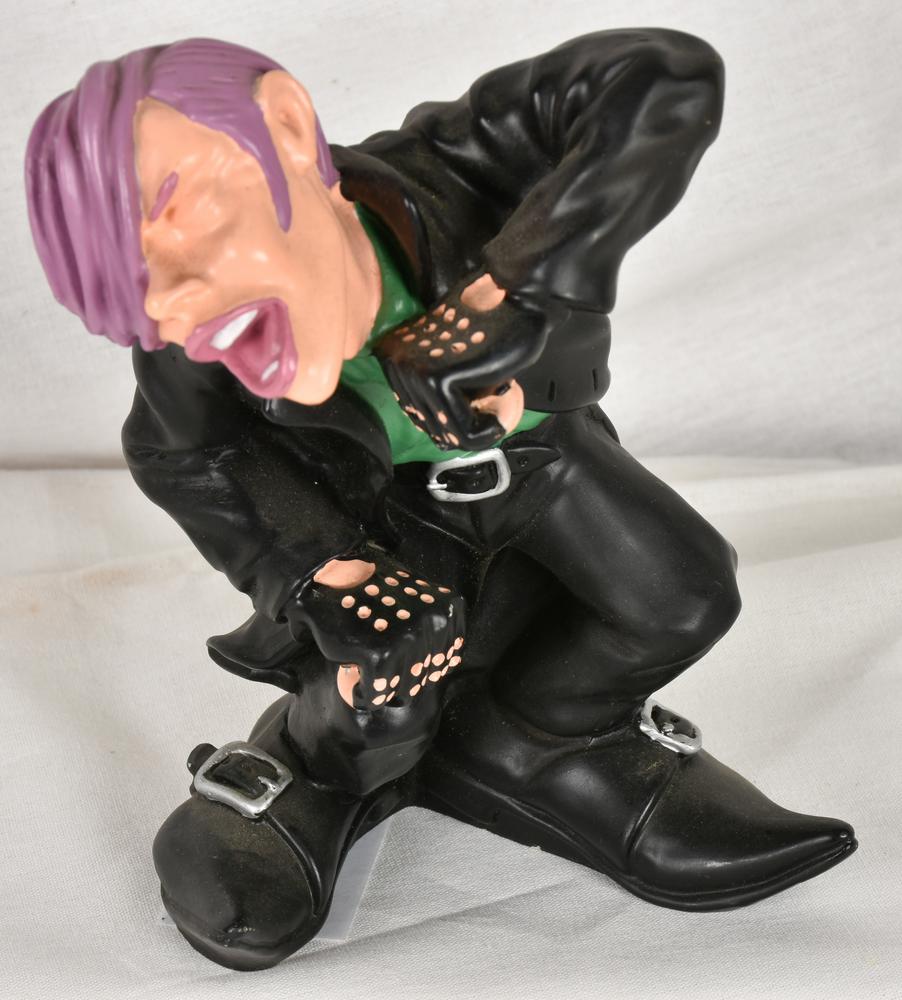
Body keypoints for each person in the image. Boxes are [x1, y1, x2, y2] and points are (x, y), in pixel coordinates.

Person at [25, 33, 855, 971]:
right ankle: (321, 771)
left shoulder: (453, 171)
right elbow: (182, 452)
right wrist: (326, 572)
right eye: (141, 288)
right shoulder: (191, 348)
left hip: (539, 464)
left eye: (192, 224)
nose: (181, 307)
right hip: (385, 521)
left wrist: (517, 288)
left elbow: (662, 76)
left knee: (684, 594)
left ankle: (542, 739)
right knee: (386, 687)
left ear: (287, 129)